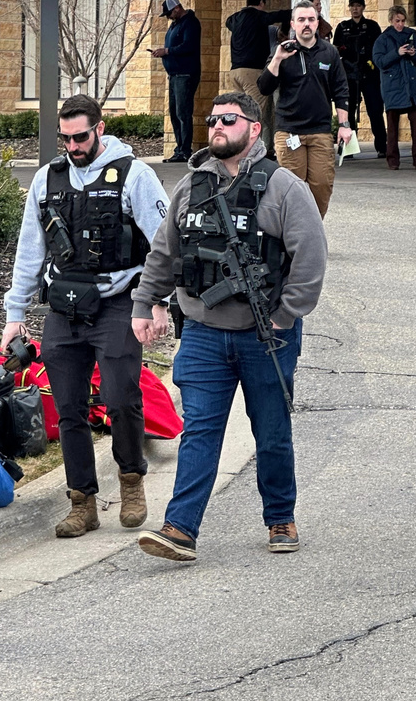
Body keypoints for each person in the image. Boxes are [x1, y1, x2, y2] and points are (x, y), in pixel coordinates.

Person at [129, 92, 326, 563]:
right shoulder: (191, 185)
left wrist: (283, 315)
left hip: (266, 335)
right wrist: (144, 303)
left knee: (272, 432)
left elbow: (311, 259)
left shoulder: (284, 187)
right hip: (202, 333)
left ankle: (280, 516)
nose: (217, 126)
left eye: (229, 120)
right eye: (213, 119)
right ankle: (180, 529)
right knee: (199, 430)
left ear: (254, 129)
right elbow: (165, 252)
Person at [0, 94, 169, 539]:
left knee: (120, 399)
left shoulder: (135, 175)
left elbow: (164, 244)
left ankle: (131, 481)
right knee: (68, 408)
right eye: (66, 138)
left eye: (81, 137)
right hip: (64, 308)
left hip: (118, 304)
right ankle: (82, 502)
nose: (73, 146)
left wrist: (157, 302)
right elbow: (29, 250)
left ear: (100, 128)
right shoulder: (47, 179)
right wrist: (15, 314)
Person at [258, 0, 352, 219]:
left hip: (320, 131)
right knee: (292, 189)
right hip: (289, 131)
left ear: (317, 22)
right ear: (293, 24)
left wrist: (344, 125)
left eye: (311, 19)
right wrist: (277, 59)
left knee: (322, 185)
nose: (306, 24)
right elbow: (264, 87)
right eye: (301, 20)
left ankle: (311, 230)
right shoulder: (282, 51)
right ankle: (292, 232)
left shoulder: (329, 52)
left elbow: (341, 90)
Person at [226, 0, 291, 159]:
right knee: (257, 113)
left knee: (242, 112)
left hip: (235, 72)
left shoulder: (235, 18)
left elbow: (228, 22)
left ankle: (245, 148)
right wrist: (298, 13)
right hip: (252, 71)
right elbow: (281, 15)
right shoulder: (259, 16)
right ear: (262, 2)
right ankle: (252, 152)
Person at [372, 5, 416, 171]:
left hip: (411, 86)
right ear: (391, 20)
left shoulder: (412, 35)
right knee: (392, 127)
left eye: (403, 21)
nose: (400, 24)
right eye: (397, 21)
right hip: (393, 86)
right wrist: (397, 53)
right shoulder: (383, 39)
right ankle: (393, 160)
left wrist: (413, 54)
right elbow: (379, 61)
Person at [334, 0, 387, 157]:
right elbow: (336, 50)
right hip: (349, 75)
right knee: (348, 112)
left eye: (358, 5)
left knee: (375, 110)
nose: (355, 9)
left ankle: (382, 147)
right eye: (352, 6)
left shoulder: (372, 26)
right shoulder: (342, 27)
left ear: (363, 7)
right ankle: (349, 149)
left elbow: (378, 49)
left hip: (369, 74)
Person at [151, 0, 202, 163]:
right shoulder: (175, 24)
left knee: (183, 113)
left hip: (185, 74)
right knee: (174, 113)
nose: (168, 17)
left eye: (169, 13)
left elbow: (188, 46)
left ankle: (185, 150)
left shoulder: (190, 23)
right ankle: (179, 149)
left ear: (177, 8)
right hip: (174, 75)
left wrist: (167, 51)